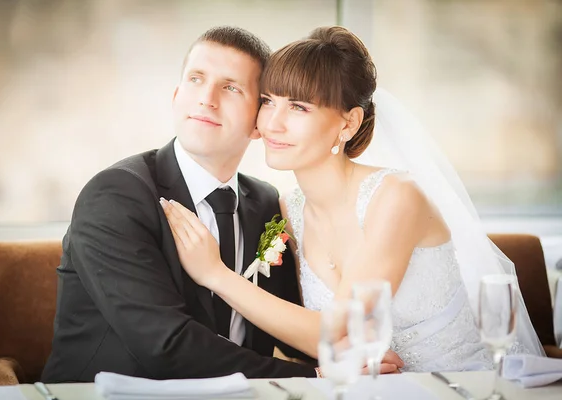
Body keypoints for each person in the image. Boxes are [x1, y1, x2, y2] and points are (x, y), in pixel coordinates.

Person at [162, 26, 544, 373]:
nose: (273, 122)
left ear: (348, 123)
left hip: (457, 386)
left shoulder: (398, 197)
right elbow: (321, 342)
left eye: (298, 107)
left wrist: (215, 274)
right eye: (268, 101)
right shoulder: (287, 210)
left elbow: (338, 330)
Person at [42, 26, 327, 382]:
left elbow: (285, 319)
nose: (207, 98)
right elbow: (167, 346)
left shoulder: (266, 202)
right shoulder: (115, 195)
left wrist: (352, 356)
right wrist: (312, 378)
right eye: (196, 79)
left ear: (259, 121)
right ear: (177, 95)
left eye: (230, 87)